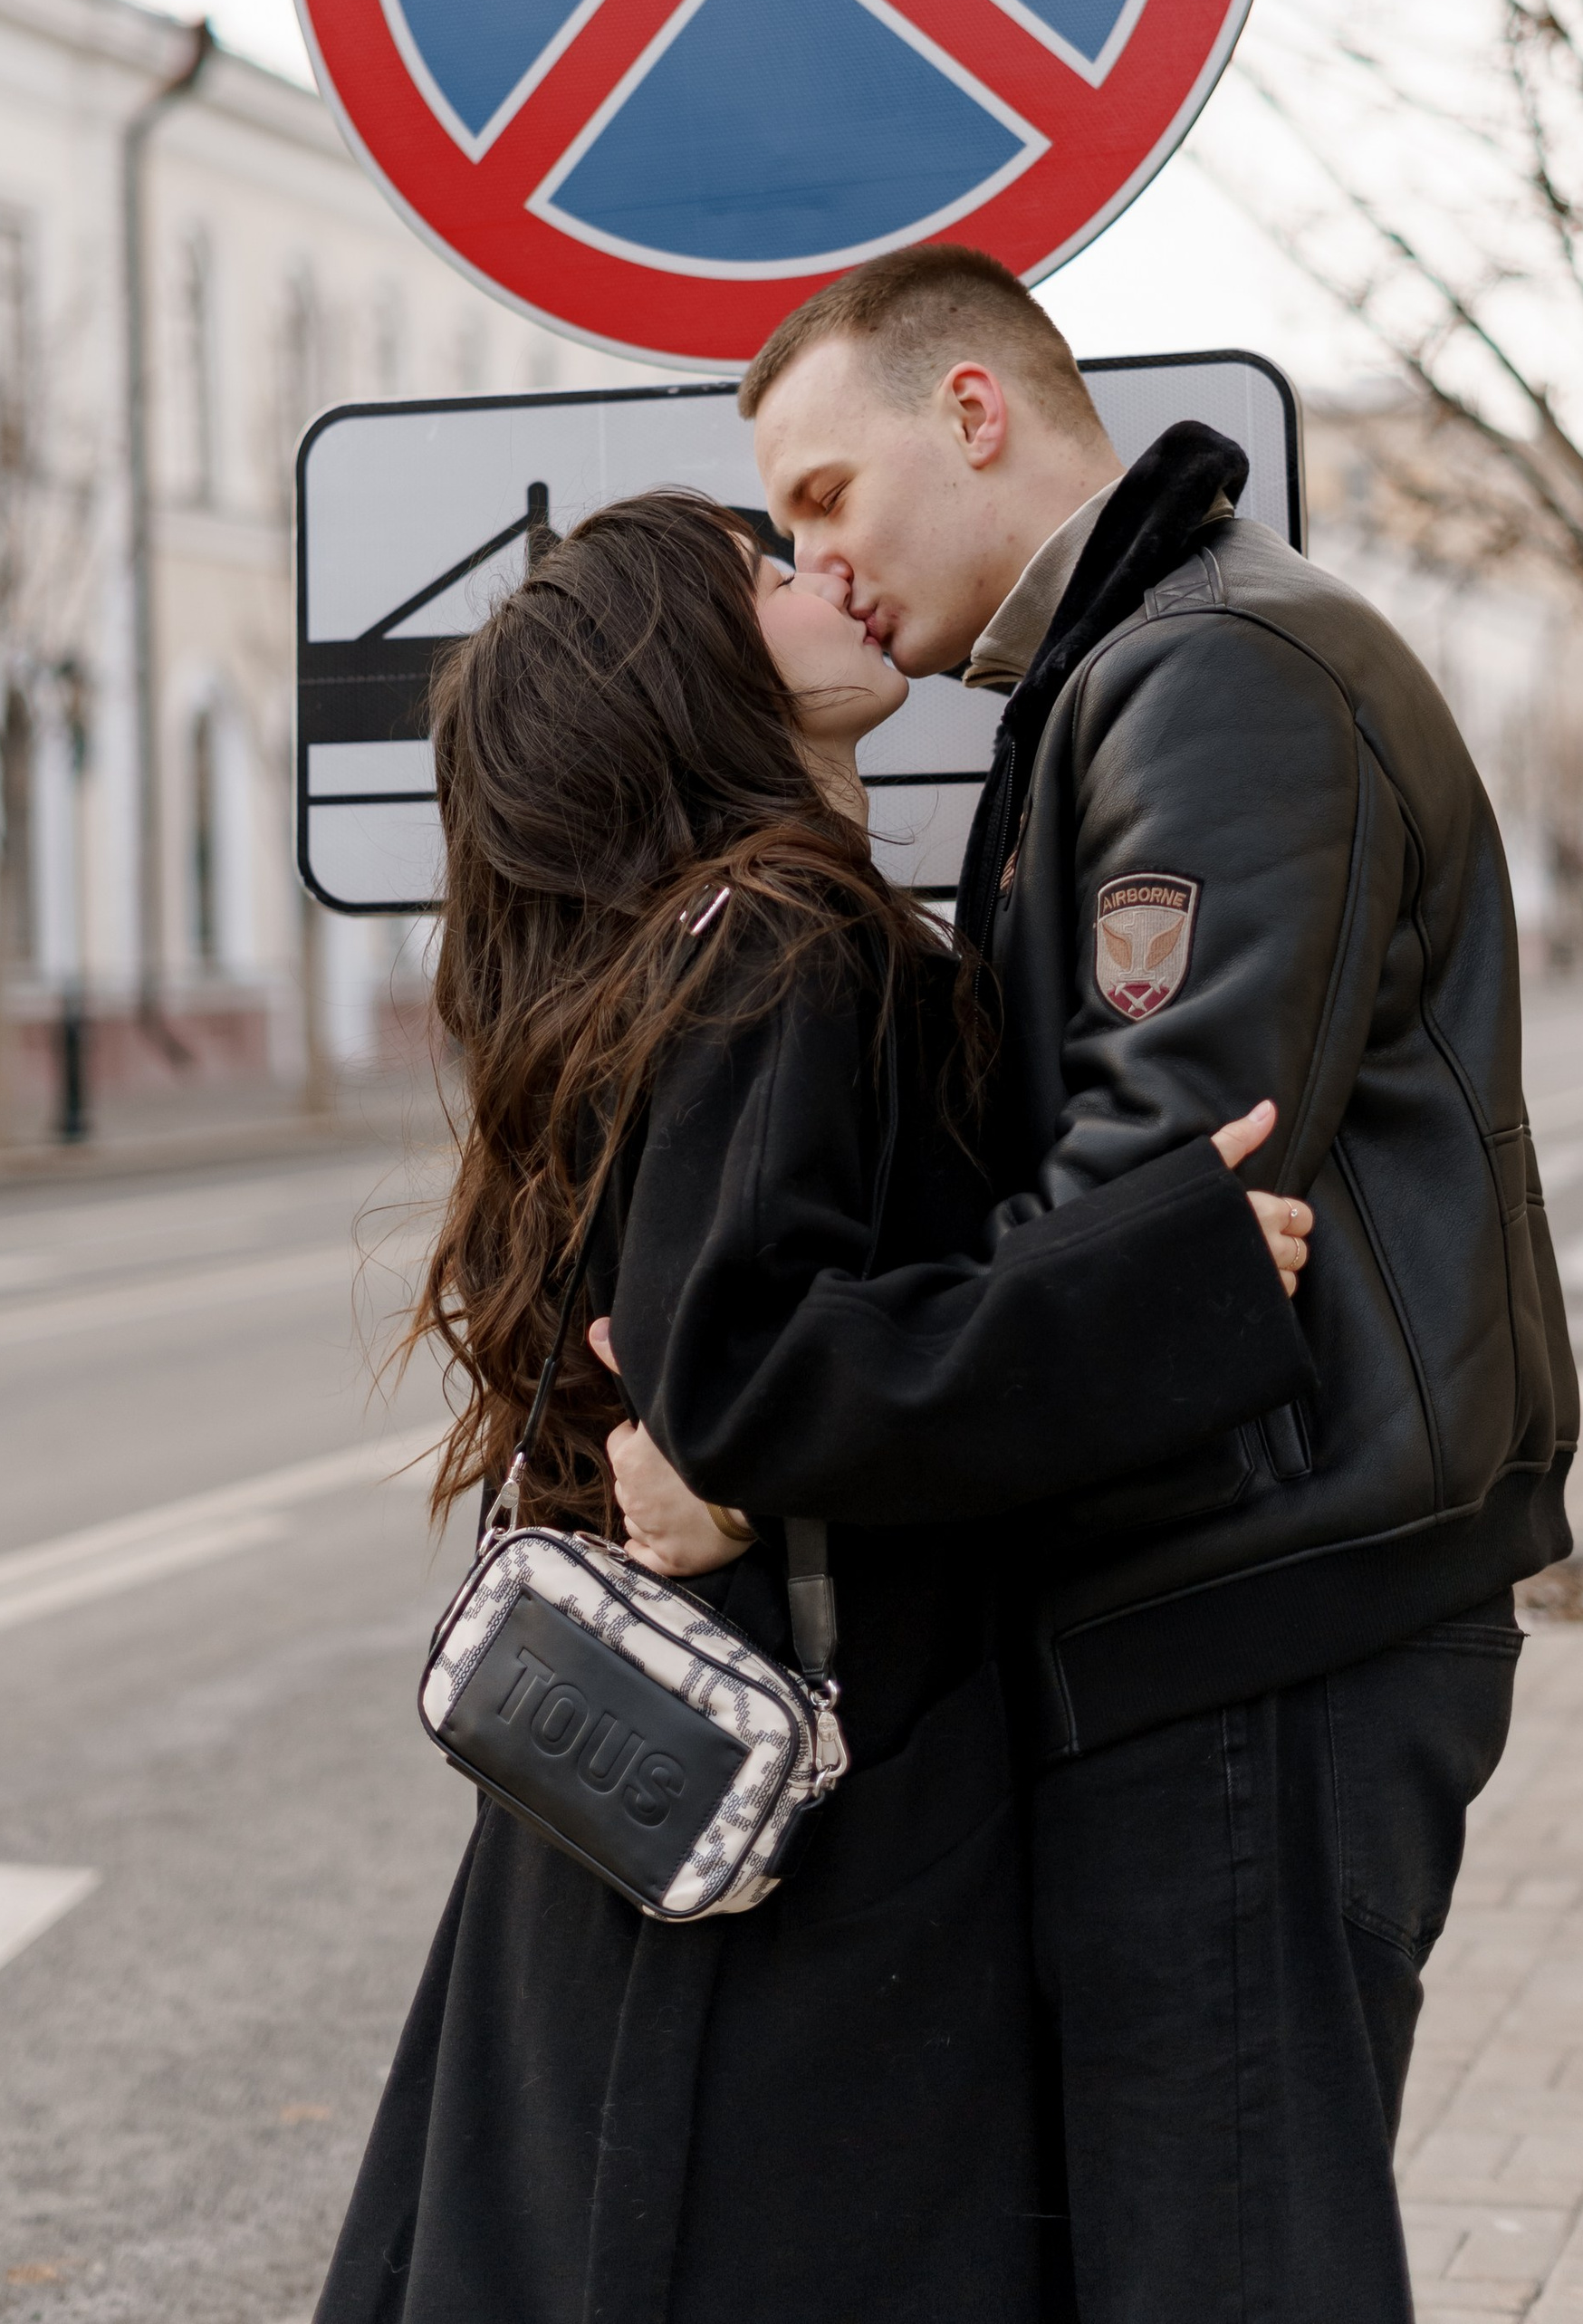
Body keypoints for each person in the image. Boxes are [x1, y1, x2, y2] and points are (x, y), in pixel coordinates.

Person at [613, 244, 1580, 2324]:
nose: (821, 562)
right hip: (1222, 1597)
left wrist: (780, 1456)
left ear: (969, 416)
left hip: (1251, 1607)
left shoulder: (1207, 671)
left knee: (1222, 2262)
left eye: (821, 497)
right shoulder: (1128, 669)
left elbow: (1158, 1214)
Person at [314, 488, 1315, 2324]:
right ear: (687, 667)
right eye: (761, 572)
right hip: (802, 1795)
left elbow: (710, 1369)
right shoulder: (780, 939)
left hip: (692, 1752)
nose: (818, 572)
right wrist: (1158, 1279)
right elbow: (750, 1366)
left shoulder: (702, 942)